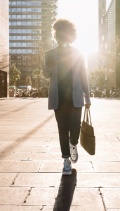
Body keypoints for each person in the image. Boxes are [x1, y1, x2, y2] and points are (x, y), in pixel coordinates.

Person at [43, 18, 91, 176]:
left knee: (75, 127)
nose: (59, 37)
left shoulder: (78, 53)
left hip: (75, 98)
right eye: (57, 34)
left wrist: (88, 98)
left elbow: (83, 76)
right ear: (55, 35)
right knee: (62, 129)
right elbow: (45, 75)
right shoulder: (50, 54)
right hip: (59, 99)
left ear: (70, 36)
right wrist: (49, 65)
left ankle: (73, 144)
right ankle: (66, 161)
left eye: (63, 34)